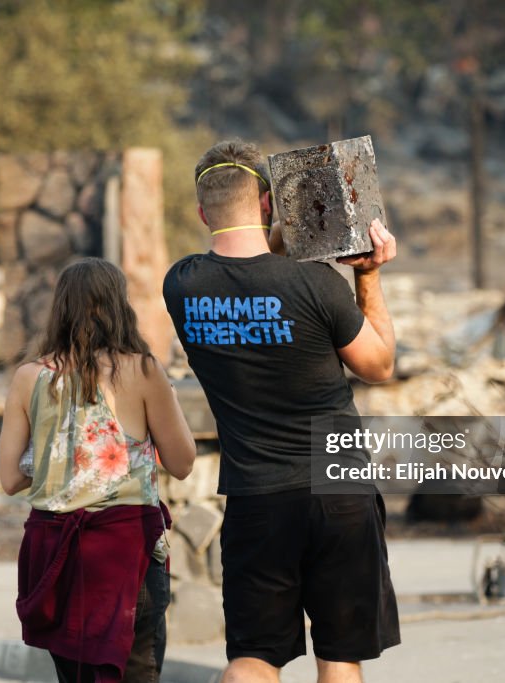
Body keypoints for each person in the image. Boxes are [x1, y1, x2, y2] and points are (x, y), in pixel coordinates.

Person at [162, 140, 401, 683]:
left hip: (256, 496)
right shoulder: (317, 283)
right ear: (269, 204)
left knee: (253, 658)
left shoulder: (183, 284)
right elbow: (379, 365)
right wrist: (366, 275)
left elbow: (248, 261)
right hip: (337, 491)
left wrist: (270, 228)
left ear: (202, 212)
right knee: (339, 656)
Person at [0, 257, 196, 683]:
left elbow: (11, 478)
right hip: (128, 554)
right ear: (119, 305)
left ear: (60, 309)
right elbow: (182, 462)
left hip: (54, 555)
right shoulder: (141, 369)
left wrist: (64, 464)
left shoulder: (28, 377)